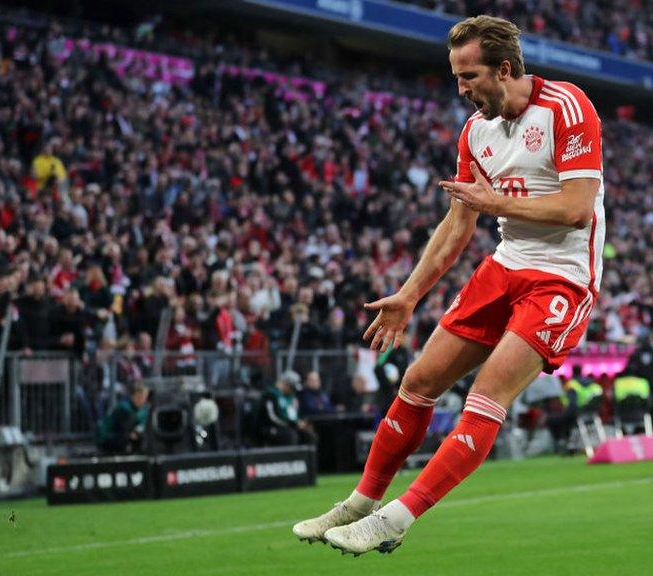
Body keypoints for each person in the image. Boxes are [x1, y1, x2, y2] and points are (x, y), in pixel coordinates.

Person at [293, 14, 605, 555]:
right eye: (456, 76)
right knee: (418, 381)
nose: (459, 89)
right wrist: (409, 294)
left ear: (504, 69)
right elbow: (458, 224)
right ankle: (363, 501)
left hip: (563, 278)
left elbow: (578, 209)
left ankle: (396, 517)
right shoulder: (475, 132)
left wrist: (497, 203)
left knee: (485, 397)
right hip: (506, 264)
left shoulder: (567, 107)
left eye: (468, 76)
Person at [95, 384, 150, 454]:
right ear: (132, 396)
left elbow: (143, 426)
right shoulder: (124, 408)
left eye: (144, 398)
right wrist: (134, 433)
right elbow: (126, 431)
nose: (142, 400)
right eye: (139, 397)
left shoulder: (144, 409)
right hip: (108, 437)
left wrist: (138, 432)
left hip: (124, 437)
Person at [257, 371, 308, 446]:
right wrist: (293, 424)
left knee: (308, 434)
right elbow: (273, 418)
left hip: (288, 426)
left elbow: (293, 413)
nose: (293, 391)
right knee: (291, 435)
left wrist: (299, 422)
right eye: (292, 387)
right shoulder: (270, 395)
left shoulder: (291, 396)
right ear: (285, 383)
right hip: (270, 428)